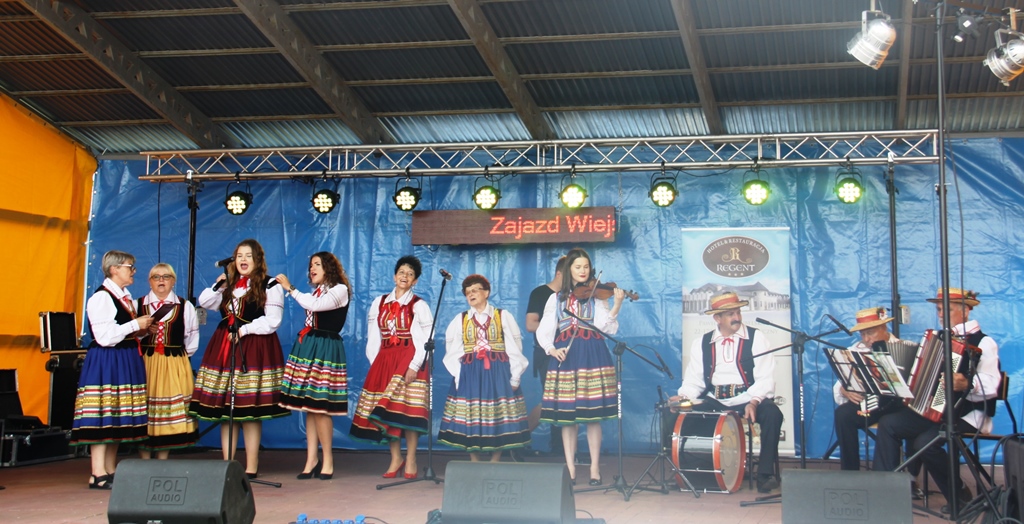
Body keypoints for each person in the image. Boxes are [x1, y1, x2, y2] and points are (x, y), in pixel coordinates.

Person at [874, 288, 1000, 512]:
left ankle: (958, 493)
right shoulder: (940, 338)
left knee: (925, 443)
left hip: (970, 413)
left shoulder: (984, 342)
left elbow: (993, 386)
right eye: (939, 310)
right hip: (938, 410)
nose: (940, 314)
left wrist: (968, 384)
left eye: (945, 310)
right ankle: (885, 492)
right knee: (889, 423)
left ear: (965, 311)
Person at [189, 239, 290, 478]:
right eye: (239, 256)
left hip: (252, 346)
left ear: (258, 260)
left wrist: (243, 331)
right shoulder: (229, 285)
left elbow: (273, 320)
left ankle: (251, 466)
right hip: (225, 346)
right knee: (227, 410)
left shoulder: (270, 284)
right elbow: (205, 302)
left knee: (249, 410)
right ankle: (227, 464)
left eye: (248, 256)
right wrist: (219, 285)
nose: (243, 260)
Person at [670, 291, 783, 493]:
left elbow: (766, 377)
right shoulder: (702, 343)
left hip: (748, 397)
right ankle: (688, 472)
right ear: (717, 318)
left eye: (738, 312)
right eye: (730, 314)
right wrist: (684, 397)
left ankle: (765, 475)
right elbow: (694, 380)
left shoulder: (756, 338)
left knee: (773, 413)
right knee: (679, 415)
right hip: (715, 400)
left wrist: (754, 401)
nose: (737, 317)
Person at [537, 247, 625, 485]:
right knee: (568, 418)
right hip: (567, 356)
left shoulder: (597, 297)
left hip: (593, 354)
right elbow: (544, 330)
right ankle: (570, 469)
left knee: (592, 417)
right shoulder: (556, 299)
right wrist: (551, 349)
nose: (583, 271)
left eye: (586, 266)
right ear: (570, 271)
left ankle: (595, 468)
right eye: (578, 267)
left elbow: (606, 328)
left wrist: (616, 304)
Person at [70, 250, 153, 489]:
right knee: (104, 414)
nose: (133, 271)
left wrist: (141, 330)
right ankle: (97, 472)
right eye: (130, 266)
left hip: (123, 357)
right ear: (114, 269)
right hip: (107, 359)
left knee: (117, 413)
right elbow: (104, 336)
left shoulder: (124, 296)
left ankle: (110, 468)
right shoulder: (101, 298)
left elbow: (120, 331)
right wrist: (134, 324)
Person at [349, 255, 433, 479]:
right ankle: (396, 457)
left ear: (415, 281)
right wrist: (376, 362)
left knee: (408, 412)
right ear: (395, 276)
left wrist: (415, 364)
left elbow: (426, 338)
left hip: (409, 357)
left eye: (410, 274)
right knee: (386, 412)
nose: (405, 276)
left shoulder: (419, 305)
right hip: (385, 359)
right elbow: (373, 336)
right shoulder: (380, 302)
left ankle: (412, 458)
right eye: (402, 272)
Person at [437, 274, 531, 461]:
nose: (471, 294)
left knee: (498, 413)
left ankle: (495, 460)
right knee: (472, 414)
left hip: (498, 371)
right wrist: (459, 375)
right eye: (467, 292)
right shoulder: (461, 319)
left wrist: (515, 376)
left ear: (486, 292)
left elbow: (514, 347)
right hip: (471, 372)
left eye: (475, 290)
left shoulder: (502, 315)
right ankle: (474, 460)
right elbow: (453, 351)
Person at [277, 252, 352, 480]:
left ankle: (327, 459)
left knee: (320, 406)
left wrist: (290, 288)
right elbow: (312, 302)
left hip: (326, 347)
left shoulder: (339, 289)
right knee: (309, 407)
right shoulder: (316, 291)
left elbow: (317, 306)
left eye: (317, 264)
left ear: (328, 267)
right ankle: (311, 459)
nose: (312, 268)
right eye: (310, 265)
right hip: (309, 345)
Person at [137, 263, 199, 459]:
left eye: (166, 276)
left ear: (173, 281)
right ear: (149, 281)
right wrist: (144, 332)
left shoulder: (184, 305)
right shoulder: (137, 304)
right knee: (144, 407)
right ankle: (144, 457)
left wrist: (179, 360)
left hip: (173, 362)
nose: (161, 280)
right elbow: (128, 336)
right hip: (146, 363)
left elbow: (191, 337)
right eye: (156, 277)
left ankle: (163, 457)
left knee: (169, 408)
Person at [832, 307, 902, 471]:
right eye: (863, 334)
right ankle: (850, 472)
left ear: (884, 328)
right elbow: (840, 384)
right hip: (871, 404)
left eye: (871, 333)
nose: (867, 339)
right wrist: (845, 390)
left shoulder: (902, 347)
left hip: (899, 405)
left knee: (912, 417)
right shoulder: (855, 350)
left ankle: (909, 477)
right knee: (842, 415)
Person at [524, 256, 567, 455]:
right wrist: (556, 326)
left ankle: (560, 447)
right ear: (559, 273)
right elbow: (530, 324)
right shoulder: (541, 293)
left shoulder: (572, 296)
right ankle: (520, 437)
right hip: (546, 353)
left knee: (563, 401)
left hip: (568, 353)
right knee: (550, 400)